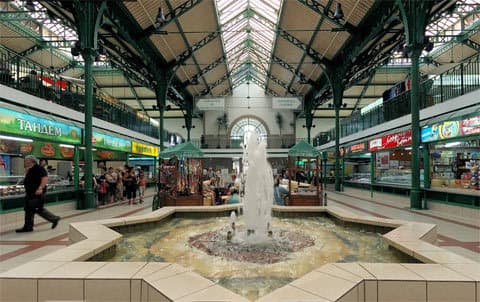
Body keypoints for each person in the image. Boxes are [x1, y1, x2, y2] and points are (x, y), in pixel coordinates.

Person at [16, 155, 60, 233]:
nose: (25, 162)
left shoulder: (39, 168)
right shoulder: (31, 169)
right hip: (30, 193)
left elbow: (45, 178)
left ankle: (54, 218)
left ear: (31, 161)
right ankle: (28, 227)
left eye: (26, 160)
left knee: (37, 208)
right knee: (28, 209)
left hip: (37, 193)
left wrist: (40, 188)